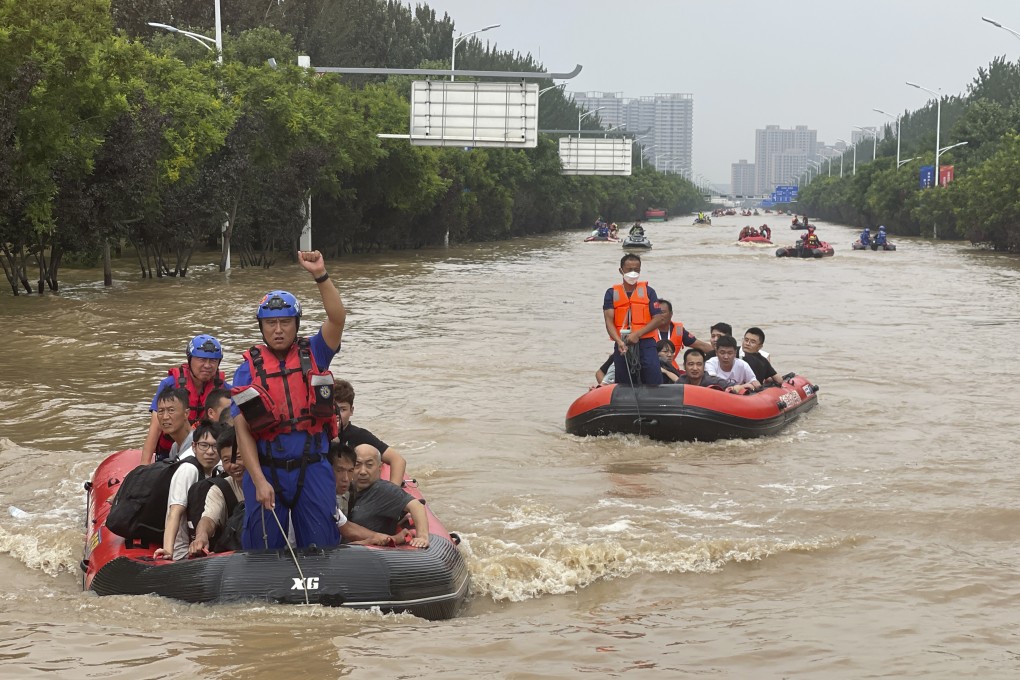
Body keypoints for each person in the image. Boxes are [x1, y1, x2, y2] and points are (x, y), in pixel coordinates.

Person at [232, 251, 346, 551]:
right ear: (262, 327)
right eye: (270, 323)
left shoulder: (316, 352)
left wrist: (320, 274)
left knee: (322, 546)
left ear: (296, 324)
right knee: (261, 548)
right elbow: (242, 429)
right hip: (267, 469)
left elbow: (338, 317)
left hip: (313, 468)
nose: (278, 330)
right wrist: (257, 480)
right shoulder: (247, 369)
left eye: (285, 322)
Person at [140, 334, 228, 464]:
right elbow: (156, 427)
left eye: (213, 361)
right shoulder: (170, 384)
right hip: (169, 452)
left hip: (207, 453)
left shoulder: (224, 390)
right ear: (190, 359)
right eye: (202, 359)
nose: (208, 365)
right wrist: (144, 467)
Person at [155, 419, 224, 560]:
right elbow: (174, 512)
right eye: (204, 445)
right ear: (194, 447)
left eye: (215, 446)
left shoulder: (219, 470)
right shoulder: (188, 470)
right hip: (183, 553)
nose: (210, 452)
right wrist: (168, 550)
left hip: (204, 548)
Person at [347, 444, 429, 548]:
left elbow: (417, 506)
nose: (363, 471)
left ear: (380, 468)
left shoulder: (383, 490)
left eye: (369, 465)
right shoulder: (347, 488)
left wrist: (422, 536)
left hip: (372, 554)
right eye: (357, 465)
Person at [603, 253, 665, 387]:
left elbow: (658, 318)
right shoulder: (611, 293)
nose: (633, 273)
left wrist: (638, 334)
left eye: (636, 270)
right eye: (629, 270)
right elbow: (609, 321)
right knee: (624, 380)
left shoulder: (649, 292)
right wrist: (619, 341)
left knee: (653, 376)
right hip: (622, 343)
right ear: (621, 271)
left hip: (646, 342)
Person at [329, 443, 407, 545]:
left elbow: (347, 528)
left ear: (379, 468)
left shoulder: (384, 489)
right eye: (339, 470)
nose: (346, 478)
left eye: (350, 471)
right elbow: (344, 533)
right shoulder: (324, 499)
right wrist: (370, 541)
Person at [333, 379, 407, 486]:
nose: (337, 415)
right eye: (332, 409)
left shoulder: (359, 435)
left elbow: (398, 460)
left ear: (351, 411)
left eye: (342, 409)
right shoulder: (314, 435)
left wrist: (393, 492)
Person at [188, 426, 244, 557]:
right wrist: (201, 537)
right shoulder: (220, 489)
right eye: (227, 460)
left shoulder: (268, 483)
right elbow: (208, 518)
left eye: (239, 457)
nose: (234, 465)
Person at [656, 299, 712, 370]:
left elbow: (702, 346)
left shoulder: (679, 330)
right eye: (656, 313)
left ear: (671, 314)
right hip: (651, 368)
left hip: (672, 369)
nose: (659, 315)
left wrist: (720, 353)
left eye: (663, 312)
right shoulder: (646, 330)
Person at [155, 387, 194, 460]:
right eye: (161, 411)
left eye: (171, 410)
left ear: (186, 413)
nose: (165, 417)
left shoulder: (196, 445)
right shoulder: (175, 447)